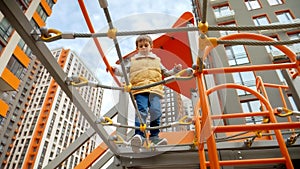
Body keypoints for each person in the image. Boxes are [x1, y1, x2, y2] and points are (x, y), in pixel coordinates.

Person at [112, 35, 182, 151]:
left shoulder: (156, 60)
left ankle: (154, 137)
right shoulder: (133, 61)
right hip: (140, 89)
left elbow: (167, 73)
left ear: (151, 47)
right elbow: (124, 71)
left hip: (154, 89)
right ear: (137, 48)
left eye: (146, 45)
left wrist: (175, 70)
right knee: (141, 111)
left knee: (156, 111)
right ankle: (139, 135)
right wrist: (115, 70)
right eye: (141, 46)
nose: (143, 47)